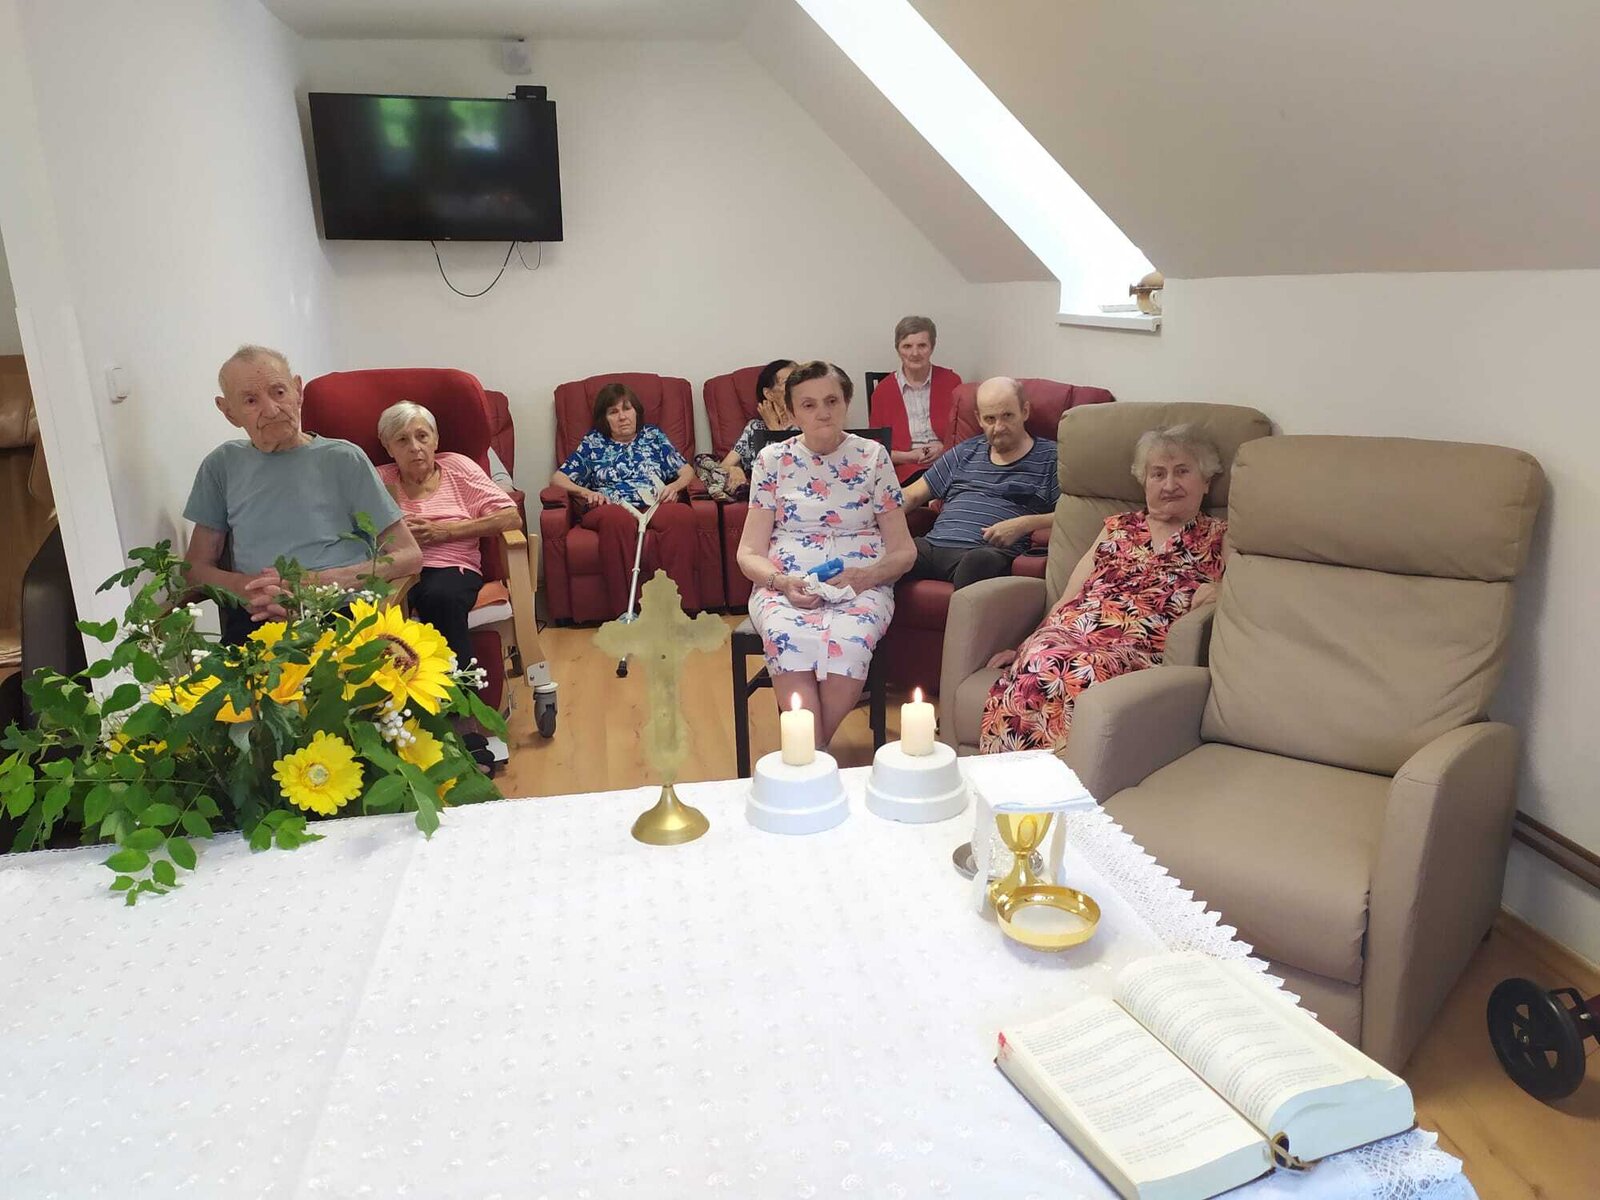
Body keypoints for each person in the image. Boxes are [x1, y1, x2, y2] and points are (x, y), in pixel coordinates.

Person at [979, 424, 1229, 754]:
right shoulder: (1117, 527)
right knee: (1041, 660)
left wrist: (1220, 591)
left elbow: (1242, 596)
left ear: (1206, 481)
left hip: (1136, 647)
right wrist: (1025, 644)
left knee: (1067, 669)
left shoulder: (1219, 535)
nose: (1169, 485)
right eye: (1158, 474)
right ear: (1144, 482)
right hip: (1070, 634)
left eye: (1182, 471)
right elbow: (1069, 596)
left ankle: (1041, 776)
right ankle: (1020, 778)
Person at [184, 345, 422, 644]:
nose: (272, 410)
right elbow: (194, 568)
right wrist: (244, 587)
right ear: (229, 412)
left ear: (298, 390)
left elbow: (409, 556)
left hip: (341, 614)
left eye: (279, 392)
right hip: (259, 618)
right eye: (251, 400)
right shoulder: (221, 465)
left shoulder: (344, 459)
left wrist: (323, 583)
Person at [736, 361, 916, 749]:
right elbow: (748, 553)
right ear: (792, 412)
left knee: (851, 642)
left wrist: (865, 577)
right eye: (809, 404)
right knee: (786, 636)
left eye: (832, 400)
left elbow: (905, 551)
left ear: (847, 403)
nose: (823, 412)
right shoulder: (771, 460)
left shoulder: (873, 457)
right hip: (786, 585)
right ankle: (813, 760)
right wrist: (781, 582)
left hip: (862, 583)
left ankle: (806, 759)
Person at [375, 400, 520, 674]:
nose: (415, 447)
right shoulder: (378, 480)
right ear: (388, 447)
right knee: (368, 608)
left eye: (422, 436)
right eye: (402, 440)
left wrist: (445, 532)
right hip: (396, 570)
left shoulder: (458, 468)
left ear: (436, 440)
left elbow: (511, 517)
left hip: (452, 566)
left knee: (440, 597)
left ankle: (459, 690)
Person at [549, 381, 701, 615]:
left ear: (636, 411)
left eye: (627, 409)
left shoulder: (653, 435)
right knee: (616, 520)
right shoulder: (594, 442)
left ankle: (680, 609)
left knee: (680, 515)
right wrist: (587, 492)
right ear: (604, 419)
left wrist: (674, 487)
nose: (622, 417)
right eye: (613, 412)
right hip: (612, 506)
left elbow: (687, 471)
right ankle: (628, 611)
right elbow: (558, 479)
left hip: (654, 502)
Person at [901, 377, 1059, 590]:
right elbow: (911, 496)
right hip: (933, 546)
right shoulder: (965, 451)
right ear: (979, 419)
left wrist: (1024, 524)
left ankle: (963, 613)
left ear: (1025, 411)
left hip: (985, 553)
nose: (999, 427)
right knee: (889, 556)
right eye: (990, 419)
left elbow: (1074, 515)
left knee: (978, 563)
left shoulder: (1051, 458)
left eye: (1007, 416)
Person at [868, 315, 963, 485]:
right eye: (907, 346)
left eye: (922, 345)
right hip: (906, 470)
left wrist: (943, 449)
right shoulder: (882, 391)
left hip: (948, 462)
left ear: (932, 347)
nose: (915, 353)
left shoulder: (952, 382)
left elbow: (964, 434)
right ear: (898, 349)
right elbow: (876, 449)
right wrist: (909, 456)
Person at [694, 359, 798, 501]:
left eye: (800, 380)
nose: (797, 386)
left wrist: (774, 429)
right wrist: (735, 469)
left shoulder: (809, 425)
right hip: (765, 497)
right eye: (788, 382)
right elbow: (724, 466)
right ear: (769, 394)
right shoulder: (755, 428)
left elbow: (794, 469)